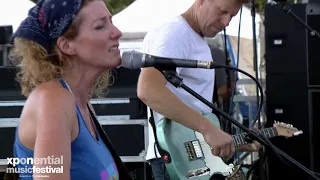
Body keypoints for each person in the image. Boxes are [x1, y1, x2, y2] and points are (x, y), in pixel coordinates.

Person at [5, 0, 132, 179]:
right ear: (66, 45)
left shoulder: (79, 104)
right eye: (100, 26)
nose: (117, 33)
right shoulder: (54, 101)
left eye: (111, 22)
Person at [137, 0, 261, 179]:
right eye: (222, 11)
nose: (226, 22)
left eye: (232, 17)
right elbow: (148, 89)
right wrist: (208, 129)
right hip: (174, 161)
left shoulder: (195, 37)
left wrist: (234, 142)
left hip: (192, 158)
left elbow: (197, 119)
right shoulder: (175, 33)